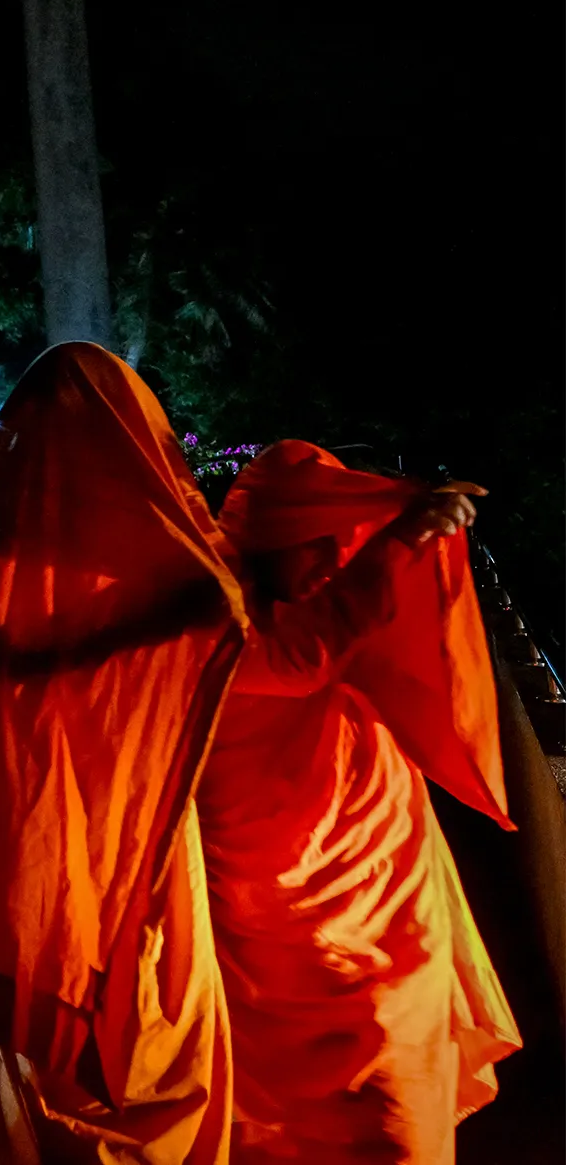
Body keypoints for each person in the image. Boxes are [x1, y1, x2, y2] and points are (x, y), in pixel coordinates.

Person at [0, 342, 518, 1163]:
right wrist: (402, 540)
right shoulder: (144, 579)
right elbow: (291, 656)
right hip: (191, 876)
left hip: (129, 867)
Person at [198, 441, 519, 1160]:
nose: (328, 560)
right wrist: (403, 540)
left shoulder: (318, 614)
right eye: (309, 544)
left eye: (337, 543)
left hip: (392, 908)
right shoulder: (211, 628)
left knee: (405, 1104)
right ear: (260, 545)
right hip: (277, 933)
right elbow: (301, 657)